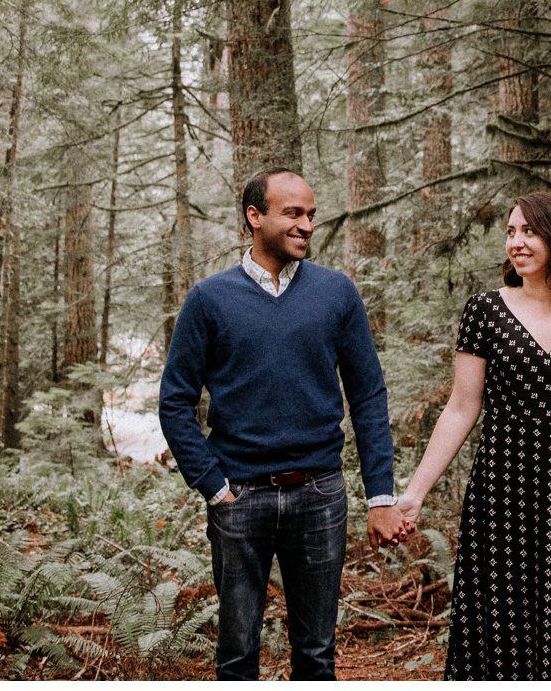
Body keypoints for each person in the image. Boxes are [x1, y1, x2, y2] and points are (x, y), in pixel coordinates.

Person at [158, 167, 406, 681]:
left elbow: (368, 395)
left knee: (316, 656)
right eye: (293, 213)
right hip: (239, 498)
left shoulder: (336, 293)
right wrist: (214, 486)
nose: (306, 225)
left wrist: (380, 496)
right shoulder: (209, 299)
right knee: (236, 656)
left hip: (318, 496)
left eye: (311, 215)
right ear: (255, 216)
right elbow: (175, 403)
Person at [396, 190, 551, 679]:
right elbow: (462, 408)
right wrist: (416, 493)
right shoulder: (484, 312)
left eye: (528, 231)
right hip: (503, 499)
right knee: (502, 632)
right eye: (510, 232)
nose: (516, 242)